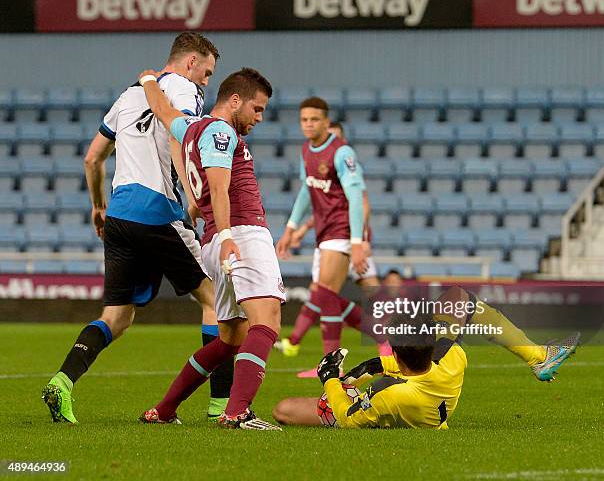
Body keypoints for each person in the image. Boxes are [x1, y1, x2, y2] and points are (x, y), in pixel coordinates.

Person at [41, 32, 233, 424]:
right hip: (158, 210)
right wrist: (195, 198)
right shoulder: (185, 90)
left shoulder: (127, 96)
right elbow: (183, 139)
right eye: (207, 73)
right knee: (217, 301)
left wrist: (98, 206)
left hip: (119, 216)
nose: (206, 83)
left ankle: (63, 380)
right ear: (190, 62)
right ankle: (218, 407)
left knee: (118, 316)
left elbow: (92, 158)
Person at [136, 66, 285, 430]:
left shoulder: (190, 127)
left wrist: (148, 82)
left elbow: (163, 111)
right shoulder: (220, 132)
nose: (259, 118)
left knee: (230, 338)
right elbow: (218, 188)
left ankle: (165, 408)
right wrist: (230, 234)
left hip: (215, 240)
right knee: (266, 322)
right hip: (242, 236)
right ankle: (237, 413)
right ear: (234, 100)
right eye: (257, 108)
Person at [272, 286, 580, 428]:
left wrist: (332, 382)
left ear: (395, 350)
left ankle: (538, 356)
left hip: (386, 410)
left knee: (283, 409)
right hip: (430, 398)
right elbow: (458, 307)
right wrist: (364, 369)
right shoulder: (452, 357)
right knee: (459, 297)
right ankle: (537, 356)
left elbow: (347, 417)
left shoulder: (385, 395)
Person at [276, 98, 388, 378]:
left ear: (327, 121)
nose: (309, 124)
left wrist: (358, 242)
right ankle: (383, 340)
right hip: (323, 232)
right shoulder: (306, 150)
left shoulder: (341, 152)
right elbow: (307, 190)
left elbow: (355, 196)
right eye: (304, 120)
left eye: (314, 119)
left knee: (324, 294)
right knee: (326, 296)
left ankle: (331, 366)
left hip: (341, 229)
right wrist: (291, 227)